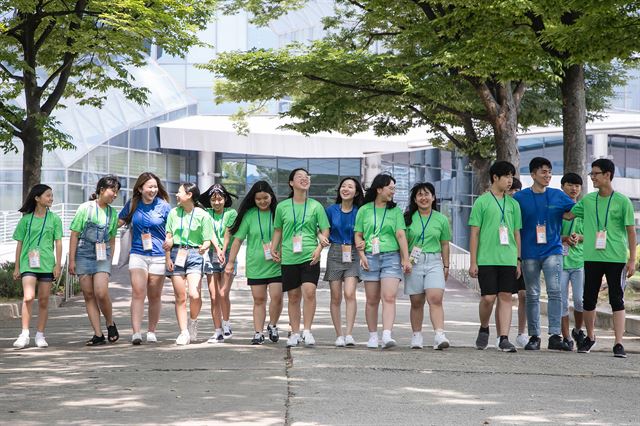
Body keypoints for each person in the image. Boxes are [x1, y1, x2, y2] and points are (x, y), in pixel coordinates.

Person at [567, 159, 635, 358]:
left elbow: (631, 232)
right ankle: (590, 337)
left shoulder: (622, 201)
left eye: (595, 174)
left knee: (617, 299)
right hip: (591, 256)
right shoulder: (588, 200)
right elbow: (568, 215)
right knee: (588, 299)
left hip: (615, 258)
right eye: (592, 174)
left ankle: (619, 343)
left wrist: (631, 260)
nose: (592, 177)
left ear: (607, 175)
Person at [513, 157, 575, 351]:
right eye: (543, 172)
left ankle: (555, 335)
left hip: (553, 250)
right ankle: (534, 336)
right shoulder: (520, 198)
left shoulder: (558, 195)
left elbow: (573, 213)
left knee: (555, 292)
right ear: (532, 175)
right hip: (529, 252)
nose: (547, 175)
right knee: (532, 294)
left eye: (549, 171)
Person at [271, 168, 330, 347]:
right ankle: (295, 333)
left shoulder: (315, 206)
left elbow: (325, 229)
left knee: (309, 292)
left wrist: (319, 249)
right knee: (294, 296)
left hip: (310, 255)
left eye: (307, 177)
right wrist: (274, 247)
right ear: (291, 183)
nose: (304, 179)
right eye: (300, 177)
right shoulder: (282, 206)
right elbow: (278, 230)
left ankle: (307, 331)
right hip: (289, 256)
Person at [469, 161, 521, 352]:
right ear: (495, 178)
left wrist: (518, 260)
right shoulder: (482, 202)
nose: (510, 181)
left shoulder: (514, 204)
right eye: (506, 176)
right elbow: (474, 233)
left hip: (508, 258)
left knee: (506, 296)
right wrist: (473, 261)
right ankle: (484, 328)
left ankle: (504, 337)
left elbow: (516, 234)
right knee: (489, 298)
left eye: (511, 176)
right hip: (486, 258)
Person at [354, 173, 411, 349]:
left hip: (391, 257)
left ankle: (387, 334)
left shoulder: (395, 211)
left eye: (394, 188)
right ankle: (372, 336)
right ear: (379, 189)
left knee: (389, 296)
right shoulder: (364, 210)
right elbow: (358, 234)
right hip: (370, 256)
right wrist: (362, 255)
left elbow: (401, 234)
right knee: (372, 299)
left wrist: (406, 259)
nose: (393, 191)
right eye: (391, 188)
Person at [226, 181, 283, 345]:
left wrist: (284, 255)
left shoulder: (278, 212)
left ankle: (272, 325)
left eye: (265, 198)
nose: (263, 201)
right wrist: (230, 262)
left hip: (277, 264)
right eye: (259, 199)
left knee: (277, 297)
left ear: (271, 196)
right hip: (256, 265)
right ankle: (258, 332)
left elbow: (285, 237)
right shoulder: (249, 215)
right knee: (259, 300)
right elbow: (237, 241)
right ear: (254, 199)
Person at [118, 172, 171, 345]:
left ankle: (152, 331)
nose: (153, 190)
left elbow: (172, 230)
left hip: (158, 255)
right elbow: (117, 222)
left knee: (154, 295)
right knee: (138, 292)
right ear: (140, 188)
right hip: (138, 253)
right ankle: (136, 332)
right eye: (150, 187)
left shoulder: (164, 206)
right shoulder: (133, 204)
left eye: (155, 187)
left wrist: (170, 239)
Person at [69, 175, 121, 346]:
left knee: (100, 292)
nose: (115, 195)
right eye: (113, 190)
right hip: (83, 253)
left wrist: (110, 258)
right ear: (101, 190)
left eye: (117, 192)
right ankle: (98, 334)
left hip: (102, 255)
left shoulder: (113, 213)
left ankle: (110, 322)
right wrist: (72, 261)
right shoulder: (85, 208)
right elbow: (74, 235)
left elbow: (112, 238)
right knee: (89, 295)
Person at [12, 184, 63, 349]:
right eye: (48, 195)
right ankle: (24, 333)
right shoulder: (26, 220)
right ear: (37, 198)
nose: (51, 198)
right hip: (28, 263)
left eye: (52, 195)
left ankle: (40, 334)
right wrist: (17, 267)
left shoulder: (54, 219)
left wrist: (58, 265)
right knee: (28, 297)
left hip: (47, 264)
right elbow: (19, 244)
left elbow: (59, 242)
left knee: (43, 300)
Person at [403, 182, 451, 350]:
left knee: (435, 298)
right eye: (420, 195)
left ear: (433, 197)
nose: (424, 198)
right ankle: (416, 335)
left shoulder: (441, 219)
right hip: (413, 262)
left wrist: (446, 266)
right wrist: (404, 260)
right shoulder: (407, 218)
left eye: (427, 194)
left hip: (434, 261)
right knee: (416, 301)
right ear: (415, 199)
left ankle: (439, 335)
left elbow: (445, 244)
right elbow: (402, 242)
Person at [164, 182, 213, 345]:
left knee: (194, 294)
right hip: (177, 253)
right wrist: (168, 256)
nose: (176, 195)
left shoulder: (203, 215)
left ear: (189, 195)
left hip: (194, 254)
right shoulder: (173, 213)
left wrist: (204, 247)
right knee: (180, 297)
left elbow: (207, 240)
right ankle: (183, 332)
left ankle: (193, 321)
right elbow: (169, 237)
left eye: (179, 192)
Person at [323, 177, 365, 347]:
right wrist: (321, 237)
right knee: (336, 296)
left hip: (353, 253)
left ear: (356, 192)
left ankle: (349, 334)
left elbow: (365, 232)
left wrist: (363, 243)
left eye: (350, 187)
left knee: (349, 293)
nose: (346, 189)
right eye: (343, 186)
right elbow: (321, 229)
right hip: (335, 252)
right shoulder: (331, 210)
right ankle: (338, 334)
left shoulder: (360, 211)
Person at [200, 183, 238, 342]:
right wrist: (217, 249)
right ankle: (217, 331)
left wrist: (223, 251)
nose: (216, 203)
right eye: (213, 199)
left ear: (225, 199)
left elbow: (228, 233)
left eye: (220, 199)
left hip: (228, 253)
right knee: (214, 296)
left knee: (223, 293)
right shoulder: (205, 213)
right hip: (211, 253)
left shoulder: (231, 212)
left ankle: (226, 323)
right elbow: (209, 233)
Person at [495, 176, 528, 348]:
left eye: (517, 190)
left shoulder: (520, 208)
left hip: (521, 257)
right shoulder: (497, 205)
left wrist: (519, 258)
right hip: (502, 257)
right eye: (511, 190)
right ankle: (501, 334)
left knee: (524, 295)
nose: (514, 193)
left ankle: (522, 332)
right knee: (502, 296)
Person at [558, 172, 585, 351]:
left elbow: (591, 233)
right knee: (561, 300)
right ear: (562, 187)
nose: (574, 189)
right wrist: (565, 238)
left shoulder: (583, 210)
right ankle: (566, 336)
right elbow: (549, 234)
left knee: (580, 300)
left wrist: (579, 237)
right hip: (559, 261)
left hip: (579, 261)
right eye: (570, 185)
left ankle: (577, 330)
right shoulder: (558, 210)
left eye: (577, 186)